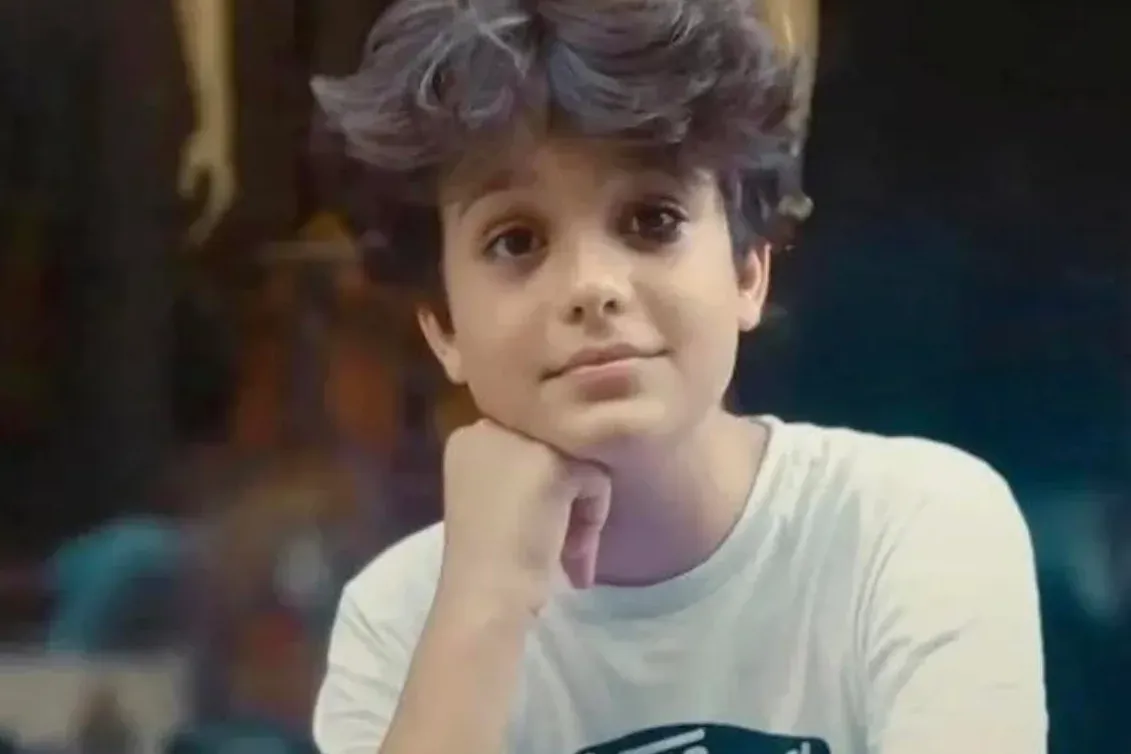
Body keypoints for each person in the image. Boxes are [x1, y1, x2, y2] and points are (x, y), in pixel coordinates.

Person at [309, 1, 1047, 753]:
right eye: (516, 240)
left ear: (748, 270)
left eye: (652, 220)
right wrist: (481, 608)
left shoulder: (910, 526)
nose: (591, 286)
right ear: (443, 326)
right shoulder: (400, 620)